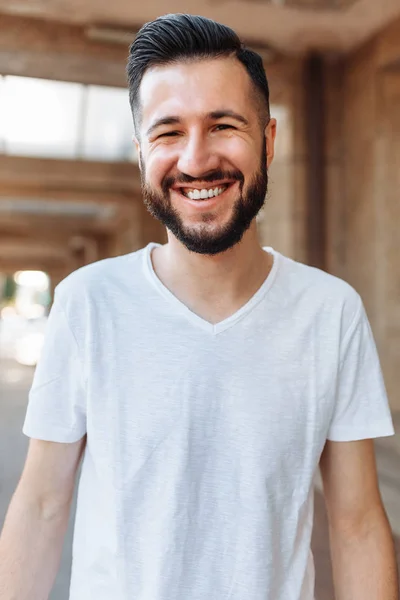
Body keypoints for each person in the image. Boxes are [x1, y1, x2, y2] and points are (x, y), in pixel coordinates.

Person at [0, 13, 398, 600]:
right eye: (168, 132)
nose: (195, 159)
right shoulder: (87, 303)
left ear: (268, 140)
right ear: (141, 153)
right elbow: (40, 506)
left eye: (223, 125)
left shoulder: (330, 312)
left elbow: (358, 523)